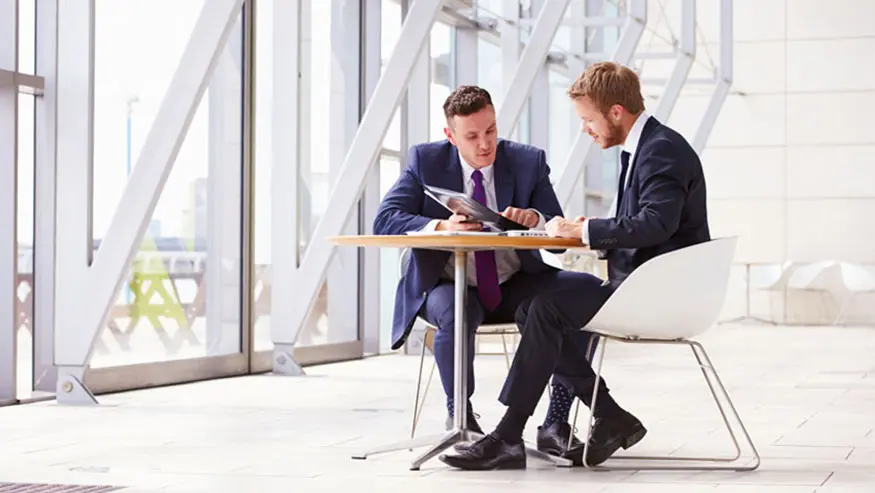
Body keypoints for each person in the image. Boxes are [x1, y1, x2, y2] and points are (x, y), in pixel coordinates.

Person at [439, 61, 711, 470]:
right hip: (650, 284)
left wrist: (586, 233)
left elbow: (657, 224)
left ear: (615, 112)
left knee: (545, 309)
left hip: (661, 293)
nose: (586, 129)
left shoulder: (661, 151)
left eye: (588, 120)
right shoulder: (647, 147)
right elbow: (647, 226)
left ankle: (509, 436)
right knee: (536, 309)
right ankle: (607, 415)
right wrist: (586, 230)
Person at [374, 86, 601, 456]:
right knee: (456, 312)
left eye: (491, 131)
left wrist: (537, 220)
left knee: (580, 295)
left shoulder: (527, 161)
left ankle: (556, 421)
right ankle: (460, 417)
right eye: (473, 136)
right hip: (450, 283)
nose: (485, 144)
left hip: (514, 283)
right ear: (451, 136)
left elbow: (558, 236)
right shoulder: (426, 160)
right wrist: (442, 227)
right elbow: (385, 220)